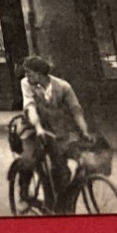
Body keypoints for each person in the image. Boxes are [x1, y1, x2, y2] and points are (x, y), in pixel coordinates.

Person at [19, 56, 93, 203]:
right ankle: (24, 192)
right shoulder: (26, 83)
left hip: (54, 127)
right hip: (32, 126)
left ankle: (58, 202)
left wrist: (84, 131)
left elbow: (76, 111)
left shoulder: (63, 87)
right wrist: (38, 128)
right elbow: (30, 107)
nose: (26, 75)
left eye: (29, 72)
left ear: (40, 74)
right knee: (29, 157)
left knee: (61, 166)